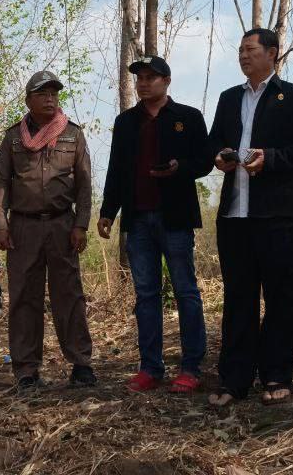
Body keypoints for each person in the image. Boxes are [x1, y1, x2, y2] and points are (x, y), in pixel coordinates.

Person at [206, 28, 293, 407]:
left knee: (280, 296)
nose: (243, 55)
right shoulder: (228, 98)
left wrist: (270, 158)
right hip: (234, 214)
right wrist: (220, 157)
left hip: (277, 213)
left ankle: (277, 374)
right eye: (240, 50)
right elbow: (214, 142)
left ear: (272, 53)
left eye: (250, 49)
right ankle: (234, 379)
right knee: (238, 297)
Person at [98, 55, 212, 393]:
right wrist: (108, 211)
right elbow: (116, 170)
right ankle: (150, 368)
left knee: (185, 291)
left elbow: (205, 162)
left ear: (167, 81)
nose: (144, 83)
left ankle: (191, 367)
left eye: (151, 77)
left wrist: (180, 168)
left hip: (175, 217)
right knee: (146, 294)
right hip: (138, 219)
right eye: (140, 78)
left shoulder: (188, 117)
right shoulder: (126, 122)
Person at [0, 70, 96, 391]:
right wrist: (0, 222)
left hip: (62, 225)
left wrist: (81, 224)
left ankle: (81, 364)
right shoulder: (13, 138)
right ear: (28, 101)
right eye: (42, 94)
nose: (50, 99)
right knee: (24, 296)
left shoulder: (73, 134)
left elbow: (84, 185)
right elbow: (1, 182)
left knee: (69, 295)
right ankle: (26, 369)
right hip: (23, 227)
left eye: (54, 94)